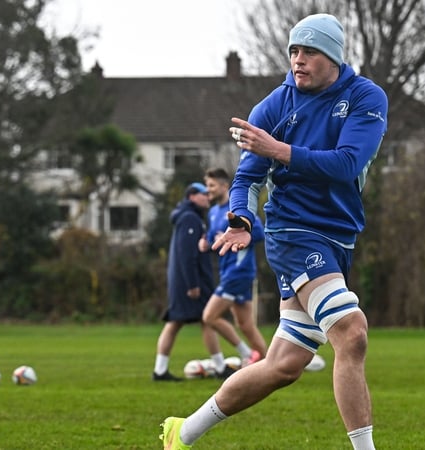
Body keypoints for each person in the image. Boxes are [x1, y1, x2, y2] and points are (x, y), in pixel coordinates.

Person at [160, 13, 387, 449]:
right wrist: (242, 219)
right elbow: (245, 180)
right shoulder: (273, 107)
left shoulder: (365, 97)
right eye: (293, 52)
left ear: (334, 56)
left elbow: (347, 165)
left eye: (310, 52)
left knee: (285, 365)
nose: (298, 61)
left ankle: (181, 432)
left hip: (338, 237)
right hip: (293, 233)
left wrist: (277, 150)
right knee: (352, 333)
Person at [152, 182, 242, 381]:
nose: (207, 198)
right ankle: (219, 367)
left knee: (189, 322)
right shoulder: (190, 219)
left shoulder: (188, 217)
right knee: (198, 321)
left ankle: (161, 370)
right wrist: (193, 284)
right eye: (203, 194)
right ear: (192, 196)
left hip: (184, 280)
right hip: (189, 283)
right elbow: (187, 254)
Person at [200, 168, 268, 368]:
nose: (208, 190)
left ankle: (248, 355)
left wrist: (235, 235)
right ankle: (267, 365)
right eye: (207, 185)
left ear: (224, 186)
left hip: (239, 272)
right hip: (227, 271)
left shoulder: (238, 209)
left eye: (212, 185)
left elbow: (259, 233)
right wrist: (206, 243)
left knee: (209, 317)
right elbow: (215, 236)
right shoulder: (213, 212)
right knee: (245, 325)